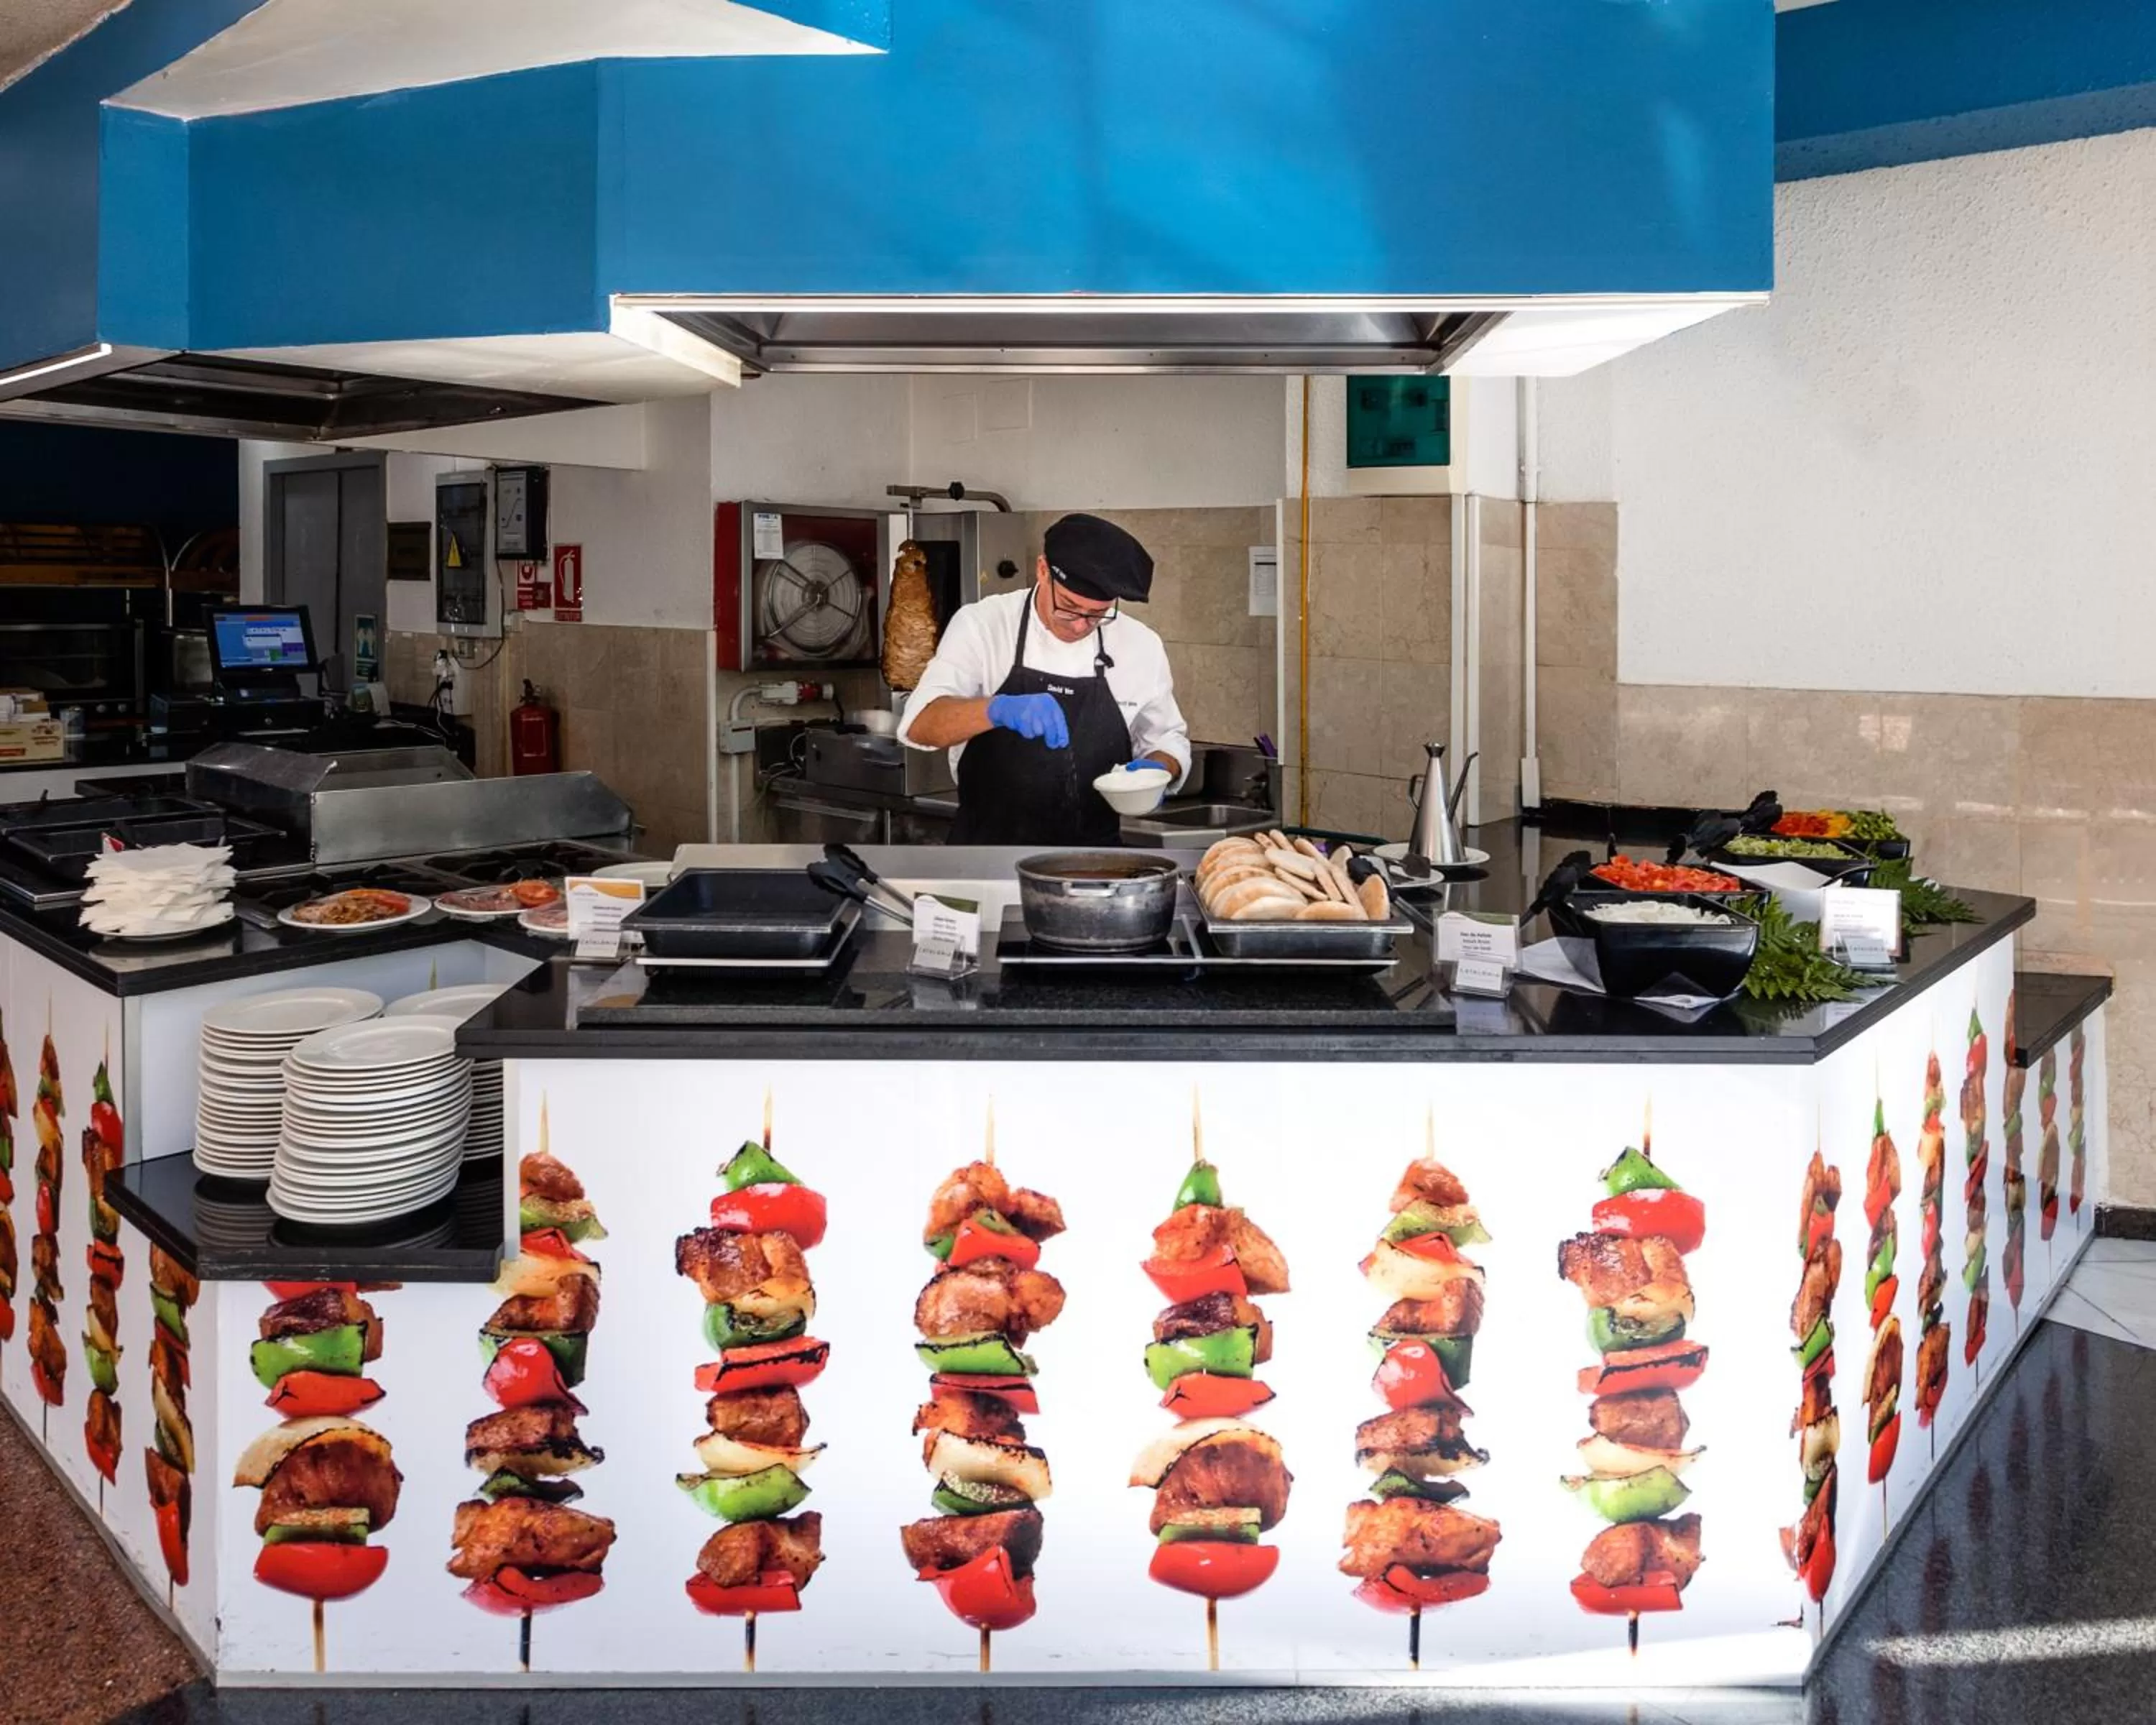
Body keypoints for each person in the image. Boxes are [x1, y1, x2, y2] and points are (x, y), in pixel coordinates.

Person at [898, 513, 1189, 845]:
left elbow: (1167, 739)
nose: (1079, 625)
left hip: (1095, 859)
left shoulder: (1140, 644)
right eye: (1068, 606)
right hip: (985, 853)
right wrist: (997, 710)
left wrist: (1158, 769)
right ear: (1042, 570)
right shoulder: (983, 625)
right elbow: (921, 724)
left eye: (1096, 615)